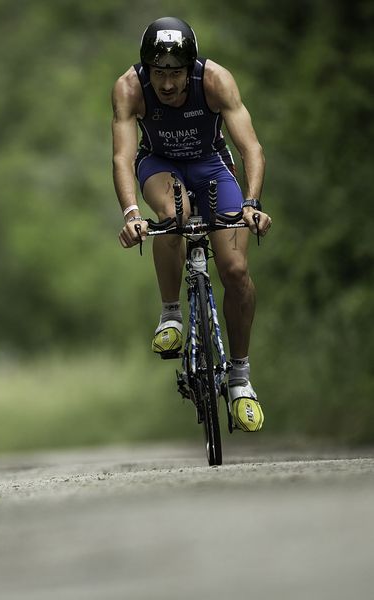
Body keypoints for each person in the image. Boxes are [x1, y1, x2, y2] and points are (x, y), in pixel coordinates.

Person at [112, 18, 272, 432]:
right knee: (172, 216)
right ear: (147, 70)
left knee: (235, 271)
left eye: (176, 73)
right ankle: (172, 317)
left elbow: (250, 146)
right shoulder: (130, 88)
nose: (166, 84)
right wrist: (131, 215)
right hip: (159, 165)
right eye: (159, 73)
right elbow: (121, 157)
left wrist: (252, 203)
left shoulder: (216, 80)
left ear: (191, 69)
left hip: (211, 167)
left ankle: (239, 378)